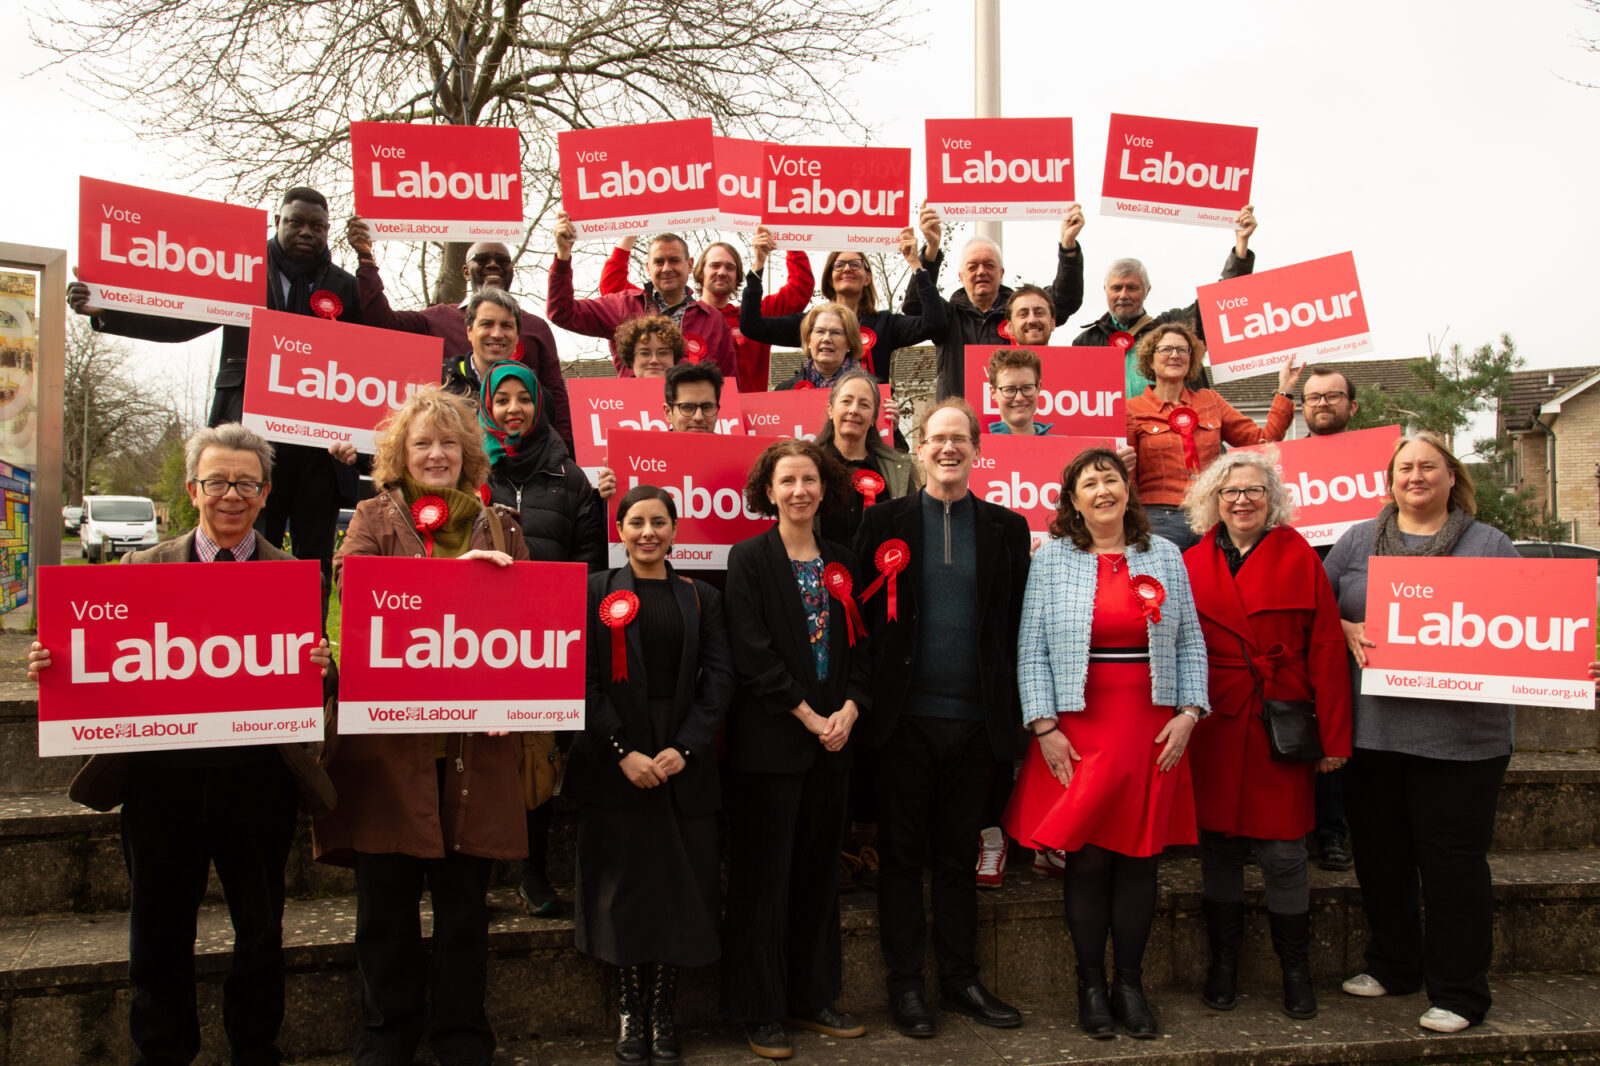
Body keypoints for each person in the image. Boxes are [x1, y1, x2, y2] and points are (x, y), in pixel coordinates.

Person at [27, 423, 336, 1066]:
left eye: (245, 483)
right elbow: (106, 660)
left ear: (266, 491)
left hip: (257, 775)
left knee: (261, 929)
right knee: (158, 931)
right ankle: (163, 1050)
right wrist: (54, 662)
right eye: (218, 480)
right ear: (193, 489)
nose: (231, 494)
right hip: (160, 778)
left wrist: (321, 667)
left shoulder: (296, 576)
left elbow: (307, 684)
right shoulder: (141, 567)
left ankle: (255, 1048)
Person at [313, 388, 529, 1066]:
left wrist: (518, 699)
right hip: (389, 749)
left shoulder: (504, 524)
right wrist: (449, 582)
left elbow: (529, 629)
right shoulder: (374, 517)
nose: (436, 454)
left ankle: (463, 1036)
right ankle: (388, 1034)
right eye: (422, 444)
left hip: (473, 749)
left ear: (468, 454)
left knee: (465, 911)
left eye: (449, 443)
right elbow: (356, 593)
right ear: (399, 456)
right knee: (385, 908)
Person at [1001, 447, 1207, 1040]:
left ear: (1127, 490)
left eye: (1110, 479)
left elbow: (1191, 641)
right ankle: (1090, 985)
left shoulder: (1164, 554)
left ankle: (1130, 986)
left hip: (1152, 727)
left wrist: (1190, 712)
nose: (1101, 490)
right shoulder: (1054, 560)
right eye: (1088, 483)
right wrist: (1045, 727)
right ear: (1072, 500)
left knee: (1140, 863)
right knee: (1087, 861)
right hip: (1079, 729)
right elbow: (1030, 647)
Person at [68, 187, 361, 598]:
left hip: (319, 450)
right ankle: (236, 642)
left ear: (328, 231)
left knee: (312, 563)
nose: (306, 232)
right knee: (249, 549)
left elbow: (368, 355)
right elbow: (182, 322)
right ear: (277, 221)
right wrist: (106, 311)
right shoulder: (241, 269)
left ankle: (307, 655)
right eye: (295, 221)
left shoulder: (344, 287)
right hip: (249, 438)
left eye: (317, 226)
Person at [1323, 433, 1519, 1034]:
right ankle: (1394, 964)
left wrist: (1571, 664)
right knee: (1381, 859)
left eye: (1428, 466)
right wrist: (1344, 625)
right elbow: (1315, 609)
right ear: (1388, 479)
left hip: (1461, 741)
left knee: (1452, 867)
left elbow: (1533, 626)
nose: (1415, 476)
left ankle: (1460, 992)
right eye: (1404, 467)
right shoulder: (1356, 540)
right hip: (1374, 733)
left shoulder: (1491, 545)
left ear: (1452, 477)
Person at [853, 399, 1030, 1038]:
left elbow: (1014, 628)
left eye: (960, 439)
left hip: (979, 726)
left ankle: (959, 981)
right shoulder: (885, 522)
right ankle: (906, 987)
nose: (948, 449)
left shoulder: (1008, 530)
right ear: (917, 448)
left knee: (958, 859)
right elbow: (863, 627)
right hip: (903, 724)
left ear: (978, 450)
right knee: (901, 859)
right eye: (936, 439)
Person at [565, 485, 734, 1066]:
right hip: (616, 763)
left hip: (682, 764)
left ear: (675, 529)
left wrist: (684, 749)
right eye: (636, 522)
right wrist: (621, 751)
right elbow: (581, 681)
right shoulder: (595, 594)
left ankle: (664, 1010)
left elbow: (720, 681)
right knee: (623, 894)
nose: (647, 533)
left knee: (677, 892)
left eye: (659, 522)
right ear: (620, 529)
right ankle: (630, 1010)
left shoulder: (702, 597)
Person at [1179, 449, 1352, 1019]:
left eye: (1254, 490)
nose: (1242, 500)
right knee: (1220, 850)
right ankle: (1222, 964)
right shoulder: (1191, 560)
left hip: (1281, 721)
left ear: (1272, 499)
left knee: (1284, 854)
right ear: (1213, 501)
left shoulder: (1299, 554)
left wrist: (1333, 737)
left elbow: (1326, 646)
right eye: (1230, 491)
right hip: (1216, 724)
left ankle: (1294, 971)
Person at [722, 439, 871, 1059]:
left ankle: (812, 998)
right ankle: (761, 1011)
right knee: (763, 879)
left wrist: (850, 711)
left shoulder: (842, 559)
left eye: (809, 479)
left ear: (824, 486)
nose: (800, 491)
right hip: (772, 746)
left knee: (817, 876)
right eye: (788, 480)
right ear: (769, 490)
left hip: (833, 745)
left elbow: (865, 646)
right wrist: (810, 715)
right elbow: (752, 654)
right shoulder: (749, 558)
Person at [479, 360, 607, 916]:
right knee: (479, 754)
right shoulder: (468, 471)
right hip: (472, 640)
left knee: (537, 759)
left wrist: (562, 628)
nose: (513, 409)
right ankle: (476, 870)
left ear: (540, 405)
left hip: (545, 642)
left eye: (523, 399)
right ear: (487, 405)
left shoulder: (568, 476)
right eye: (501, 398)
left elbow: (589, 562)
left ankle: (531, 873)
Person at [810, 369, 918, 892]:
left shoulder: (898, 466)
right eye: (846, 400)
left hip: (884, 608)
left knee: (876, 714)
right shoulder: (807, 462)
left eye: (865, 403)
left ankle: (866, 837)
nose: (854, 410)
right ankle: (831, 840)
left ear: (877, 414)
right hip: (823, 605)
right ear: (830, 407)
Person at [347, 219, 572, 449]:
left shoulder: (536, 327)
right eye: (482, 259)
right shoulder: (436, 318)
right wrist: (366, 259)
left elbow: (556, 394)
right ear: (466, 271)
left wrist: (565, 451)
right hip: (456, 451)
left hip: (519, 455)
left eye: (502, 260)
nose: (493, 264)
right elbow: (382, 321)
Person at [1125, 323, 1298, 553]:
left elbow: (1262, 441)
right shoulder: (1131, 410)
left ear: (1191, 359)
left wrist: (1285, 389)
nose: (1175, 355)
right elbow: (1127, 477)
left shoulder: (1210, 401)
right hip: (1158, 519)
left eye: (1182, 350)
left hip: (1210, 516)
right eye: (1166, 349)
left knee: (1210, 588)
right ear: (1150, 360)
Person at [904, 202, 1085, 400]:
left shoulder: (1021, 312)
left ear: (1001, 273)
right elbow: (915, 307)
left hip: (1012, 421)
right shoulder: (948, 316)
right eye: (973, 267)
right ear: (961, 277)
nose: (981, 271)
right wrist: (931, 251)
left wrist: (1068, 247)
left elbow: (1065, 300)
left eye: (989, 265)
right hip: (960, 425)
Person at [1072, 206, 1258, 397]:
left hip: (1171, 424)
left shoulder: (1172, 327)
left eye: (1132, 288)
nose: (1123, 295)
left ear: (1147, 290)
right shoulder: (1085, 342)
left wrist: (1241, 246)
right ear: (1105, 290)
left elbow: (1217, 303)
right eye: (1116, 288)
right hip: (1111, 427)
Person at [739, 225, 947, 383]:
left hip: (872, 429)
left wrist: (915, 263)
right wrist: (759, 263)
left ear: (867, 278)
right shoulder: (811, 323)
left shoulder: (886, 323)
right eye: (839, 265)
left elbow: (935, 324)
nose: (847, 269)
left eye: (855, 264)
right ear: (830, 279)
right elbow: (751, 326)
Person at [602, 234, 814, 389]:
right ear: (698, 270)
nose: (722, 272)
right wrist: (629, 231)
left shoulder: (753, 317)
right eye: (715, 265)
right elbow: (613, 288)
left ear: (739, 276)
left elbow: (800, 289)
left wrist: (788, 236)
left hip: (747, 419)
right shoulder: (670, 315)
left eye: (730, 268)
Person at [547, 215, 739, 380]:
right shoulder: (623, 305)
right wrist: (563, 256)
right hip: (635, 417)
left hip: (691, 419)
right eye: (658, 262)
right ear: (648, 267)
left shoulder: (713, 319)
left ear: (689, 265)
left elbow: (730, 385)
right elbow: (562, 312)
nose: (666, 268)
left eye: (674, 260)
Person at [1300, 365, 1361, 873]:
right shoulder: (1282, 465)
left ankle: (1333, 829)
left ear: (1352, 407)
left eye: (1332, 396)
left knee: (1338, 723)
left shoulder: (1377, 465)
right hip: (1298, 611)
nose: (1322, 404)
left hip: (1356, 615)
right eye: (1312, 397)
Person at [592, 361, 727, 504]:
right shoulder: (638, 464)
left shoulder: (736, 460)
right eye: (687, 407)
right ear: (668, 412)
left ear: (717, 410)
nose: (698, 417)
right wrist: (608, 499)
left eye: (707, 407)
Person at [774, 303, 864, 391]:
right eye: (820, 331)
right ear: (808, 339)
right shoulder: (783, 390)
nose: (826, 339)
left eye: (835, 332)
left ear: (849, 342)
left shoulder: (870, 390)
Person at [986, 347, 1051, 435]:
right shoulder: (982, 448)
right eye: (1009, 389)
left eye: (1027, 388)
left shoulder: (1065, 447)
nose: (1019, 398)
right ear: (993, 393)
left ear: (1038, 389)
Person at [616, 315, 687, 377]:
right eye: (644, 353)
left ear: (674, 359)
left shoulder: (689, 392)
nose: (654, 360)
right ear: (631, 359)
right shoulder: (614, 392)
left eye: (663, 353)